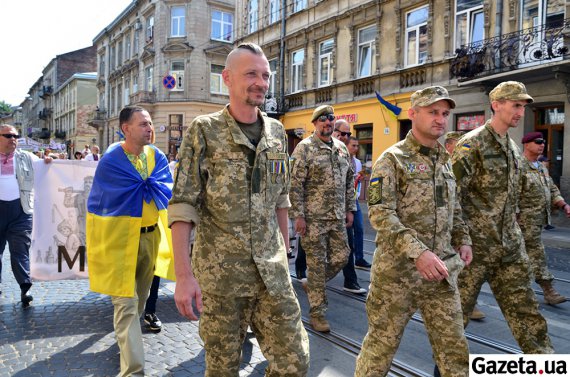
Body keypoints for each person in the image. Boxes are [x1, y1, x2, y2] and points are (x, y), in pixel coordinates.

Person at [168, 43, 309, 376]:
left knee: (295, 361)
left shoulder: (276, 132)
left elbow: (280, 199)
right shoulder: (204, 130)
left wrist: (286, 256)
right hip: (222, 279)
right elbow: (183, 205)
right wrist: (184, 277)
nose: (260, 82)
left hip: (271, 274)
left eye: (265, 75)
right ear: (227, 79)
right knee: (223, 368)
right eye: (251, 74)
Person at [355, 86, 472, 377]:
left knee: (455, 352)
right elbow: (381, 214)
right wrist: (418, 253)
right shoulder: (391, 160)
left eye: (445, 114)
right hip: (397, 277)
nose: (441, 120)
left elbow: (453, 209)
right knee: (379, 350)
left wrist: (463, 239)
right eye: (433, 112)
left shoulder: (445, 162)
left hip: (440, 275)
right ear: (413, 114)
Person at [452, 81, 554, 353]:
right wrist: (460, 240)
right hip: (474, 250)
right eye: (515, 104)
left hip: (510, 247)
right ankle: (447, 369)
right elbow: (451, 198)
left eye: (523, 106)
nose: (520, 111)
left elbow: (518, 191)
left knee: (527, 311)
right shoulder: (471, 145)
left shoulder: (511, 148)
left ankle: (545, 365)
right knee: (455, 317)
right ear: (496, 105)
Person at [86, 106, 174, 377]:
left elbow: (165, 187)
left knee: (140, 300)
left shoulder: (156, 156)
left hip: (150, 236)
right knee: (124, 302)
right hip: (120, 239)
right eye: (144, 124)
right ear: (126, 128)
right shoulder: (111, 160)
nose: (150, 129)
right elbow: (100, 202)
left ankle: (126, 340)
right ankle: (133, 370)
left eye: (150, 124)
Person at [290, 104, 355, 332]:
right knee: (316, 265)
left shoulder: (341, 148)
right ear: (315, 123)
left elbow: (349, 180)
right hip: (313, 219)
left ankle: (312, 284)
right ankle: (317, 314)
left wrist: (350, 209)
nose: (327, 123)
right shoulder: (304, 149)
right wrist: (297, 216)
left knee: (342, 256)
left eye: (330, 120)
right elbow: (295, 184)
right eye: (323, 120)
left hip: (337, 217)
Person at [0, 124, 52, 307]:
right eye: (8, 135)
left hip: (21, 211)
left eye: (15, 135)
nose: (13, 139)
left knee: (20, 251)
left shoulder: (25, 157)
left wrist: (51, 159)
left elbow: (45, 162)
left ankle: (25, 287)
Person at [519, 131, 570, 305]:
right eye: (537, 141)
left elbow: (552, 189)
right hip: (521, 223)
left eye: (543, 142)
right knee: (533, 256)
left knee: (526, 257)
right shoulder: (518, 166)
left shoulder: (540, 167)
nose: (542, 144)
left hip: (537, 222)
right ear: (527, 145)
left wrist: (563, 204)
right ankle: (548, 291)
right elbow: (509, 194)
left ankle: (540, 291)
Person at [445, 131, 486, 321]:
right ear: (449, 146)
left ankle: (464, 301)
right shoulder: (444, 164)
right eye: (459, 144)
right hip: (447, 221)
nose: (464, 149)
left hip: (464, 221)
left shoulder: (465, 164)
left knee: (463, 262)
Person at [333, 124, 366, 295]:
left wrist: (350, 209)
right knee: (314, 246)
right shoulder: (313, 149)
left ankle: (350, 280)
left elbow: (348, 185)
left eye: (348, 134)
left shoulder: (345, 155)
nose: (345, 137)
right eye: (343, 134)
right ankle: (302, 270)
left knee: (349, 243)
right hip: (319, 210)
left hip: (344, 205)